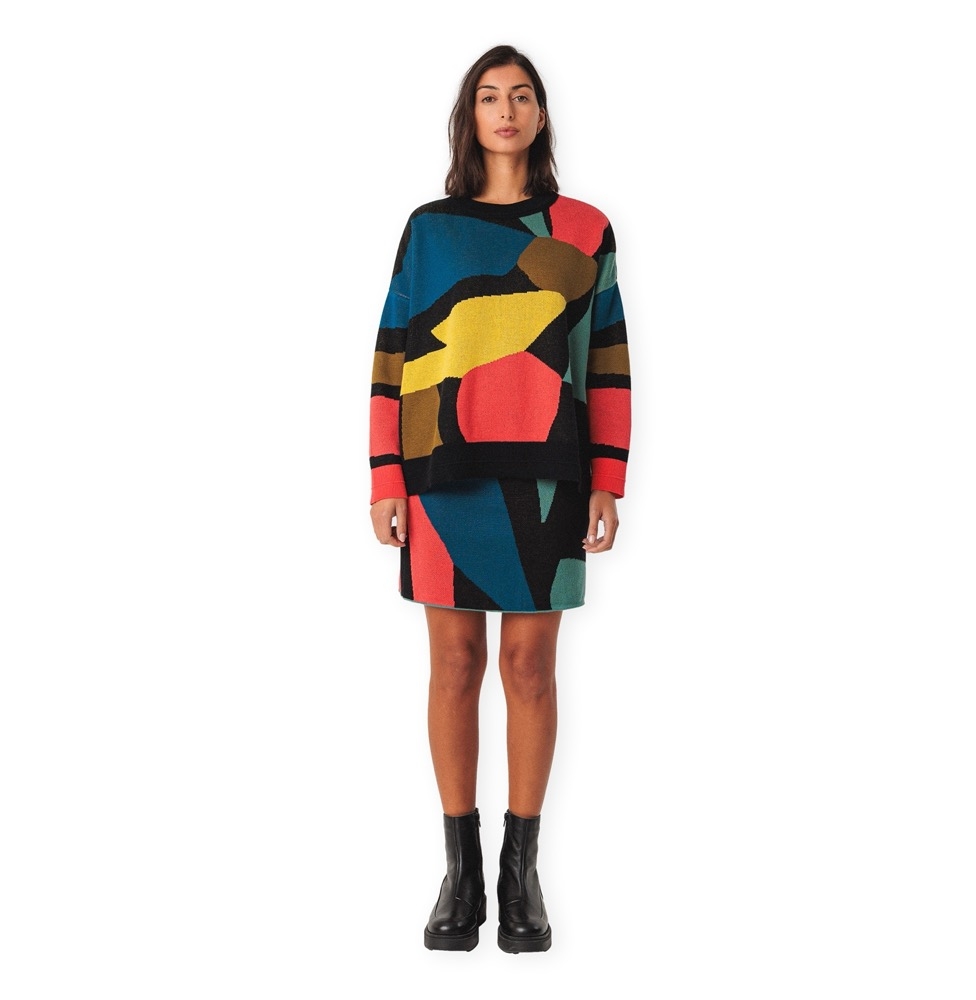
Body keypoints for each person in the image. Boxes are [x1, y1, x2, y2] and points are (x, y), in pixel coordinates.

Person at [368, 44, 631, 954]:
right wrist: (385, 476)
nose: (507, 111)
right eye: (489, 97)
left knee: (529, 667)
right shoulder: (429, 229)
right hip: (442, 472)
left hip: (551, 472)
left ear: (541, 114)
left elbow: (607, 360)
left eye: (521, 96)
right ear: (470, 116)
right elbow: (394, 356)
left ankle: (522, 873)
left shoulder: (584, 230)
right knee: (453, 665)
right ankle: (461, 871)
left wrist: (610, 479)